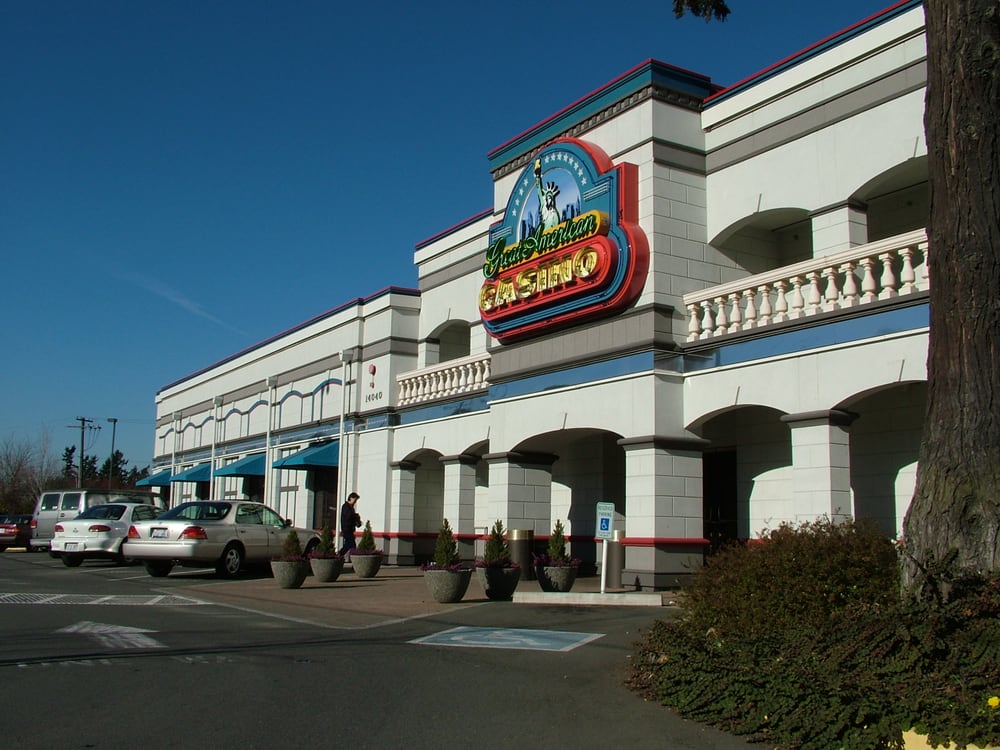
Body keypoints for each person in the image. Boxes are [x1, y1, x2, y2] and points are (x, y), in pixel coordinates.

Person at [338, 492, 362, 556]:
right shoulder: (345, 506)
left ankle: (339, 555)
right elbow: (348, 516)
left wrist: (357, 520)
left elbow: (352, 517)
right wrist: (355, 516)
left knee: (349, 544)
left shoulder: (351, 508)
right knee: (351, 544)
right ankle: (341, 555)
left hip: (350, 529)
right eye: (355, 500)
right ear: (351, 498)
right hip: (346, 529)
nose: (355, 502)